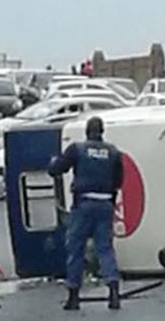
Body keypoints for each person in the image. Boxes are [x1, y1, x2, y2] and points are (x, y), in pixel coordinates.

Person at [48, 117, 123, 311]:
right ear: (102, 131)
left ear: (87, 131)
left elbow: (56, 169)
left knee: (76, 248)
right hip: (105, 204)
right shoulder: (113, 152)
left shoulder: (77, 149)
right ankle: (114, 291)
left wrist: (53, 161)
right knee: (105, 248)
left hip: (83, 204)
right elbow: (119, 181)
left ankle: (73, 297)